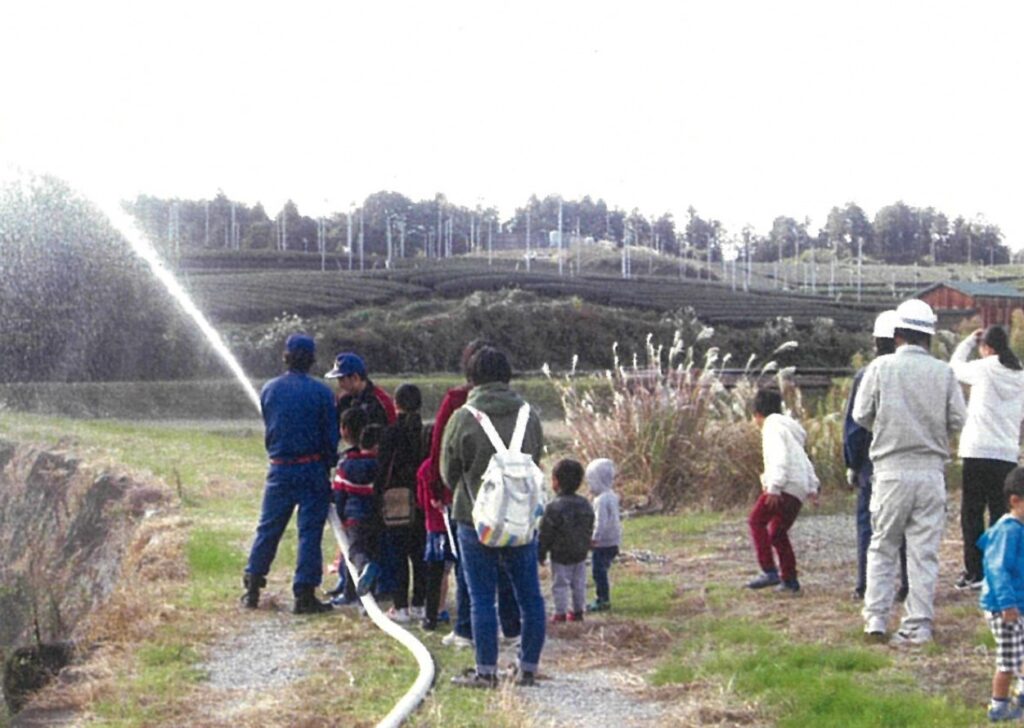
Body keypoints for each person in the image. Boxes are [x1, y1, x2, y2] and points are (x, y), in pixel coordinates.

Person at [853, 298, 967, 644]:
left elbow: (860, 415)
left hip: (889, 470)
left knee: (882, 546)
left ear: (897, 334)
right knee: (923, 552)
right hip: (930, 471)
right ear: (929, 336)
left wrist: (887, 426)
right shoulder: (944, 372)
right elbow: (958, 420)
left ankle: (876, 619)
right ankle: (918, 624)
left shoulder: (880, 368)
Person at [442, 346, 546, 688]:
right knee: (530, 596)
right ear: (507, 375)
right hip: (520, 518)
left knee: (482, 599)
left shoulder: (463, 417)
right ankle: (528, 667)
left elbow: (448, 473)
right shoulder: (529, 415)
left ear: (471, 378)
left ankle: (486, 671)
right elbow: (536, 461)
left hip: (475, 519)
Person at [419, 339, 521, 647]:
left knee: (469, 567)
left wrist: (440, 488)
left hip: (468, 496)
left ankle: (466, 629)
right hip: (509, 494)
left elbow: (441, 449)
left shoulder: (457, 402)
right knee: (507, 563)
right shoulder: (517, 404)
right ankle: (512, 626)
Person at [242, 333, 338, 615]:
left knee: (268, 528)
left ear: (286, 357)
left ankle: (252, 586)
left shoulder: (269, 389)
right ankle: (304, 595)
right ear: (311, 360)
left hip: (280, 468)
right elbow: (330, 437)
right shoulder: (322, 393)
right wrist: (328, 464)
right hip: (311, 468)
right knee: (309, 533)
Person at [951, 325, 1024, 592]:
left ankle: (974, 571)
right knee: (1000, 513)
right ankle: (997, 570)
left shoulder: (983, 368)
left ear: (987, 348)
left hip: (977, 449)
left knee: (972, 512)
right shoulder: (1020, 375)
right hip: (1005, 452)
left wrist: (968, 342)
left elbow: (954, 368)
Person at [843, 310, 909, 602]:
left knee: (870, 527)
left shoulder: (866, 374)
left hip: (873, 464)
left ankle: (866, 585)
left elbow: (854, 427)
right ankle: (908, 584)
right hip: (908, 460)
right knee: (907, 527)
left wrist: (852, 463)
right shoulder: (915, 372)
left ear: (876, 341)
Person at [745, 388, 820, 594]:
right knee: (777, 532)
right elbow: (804, 460)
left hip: (784, 486)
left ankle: (769, 570)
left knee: (756, 521)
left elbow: (779, 457)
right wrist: (812, 487)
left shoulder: (772, 427)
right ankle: (790, 580)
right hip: (798, 489)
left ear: (757, 414)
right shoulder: (790, 430)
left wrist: (774, 487)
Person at [376, 383, 428, 623]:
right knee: (420, 554)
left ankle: (400, 606)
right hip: (421, 499)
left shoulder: (390, 433)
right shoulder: (425, 432)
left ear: (396, 404)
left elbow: (383, 469)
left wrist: (377, 498)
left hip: (396, 499)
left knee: (398, 556)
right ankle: (419, 603)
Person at [977, 467, 1024, 722]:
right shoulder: (1008, 531)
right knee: (1008, 660)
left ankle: (1021, 694)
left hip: (1019, 604)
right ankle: (999, 706)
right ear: (1015, 501)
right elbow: (997, 569)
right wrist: (1007, 604)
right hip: (1004, 608)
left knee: (1020, 651)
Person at [331, 410, 382, 605]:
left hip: (354, 519)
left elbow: (339, 494)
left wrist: (341, 517)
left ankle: (354, 584)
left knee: (353, 552)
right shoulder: (379, 466)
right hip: (376, 519)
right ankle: (367, 599)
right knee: (373, 553)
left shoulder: (346, 465)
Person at [538, 459, 595, 623]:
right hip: (580, 552)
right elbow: (589, 525)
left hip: (560, 553)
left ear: (556, 481)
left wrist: (541, 552)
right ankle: (578, 611)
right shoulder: (585, 504)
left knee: (560, 583)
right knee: (579, 583)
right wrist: (587, 542)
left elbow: (546, 533)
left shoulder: (553, 507)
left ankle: (560, 612)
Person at [325, 352, 397, 429]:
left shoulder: (381, 401)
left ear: (355, 377)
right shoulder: (343, 400)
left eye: (342, 379)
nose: (340, 385)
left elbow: (393, 428)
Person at [585, 458, 621, 612]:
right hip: (614, 541)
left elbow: (601, 522)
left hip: (603, 543)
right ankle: (602, 598)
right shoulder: (612, 496)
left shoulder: (600, 500)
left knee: (598, 572)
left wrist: (594, 539)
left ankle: (603, 600)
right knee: (602, 570)